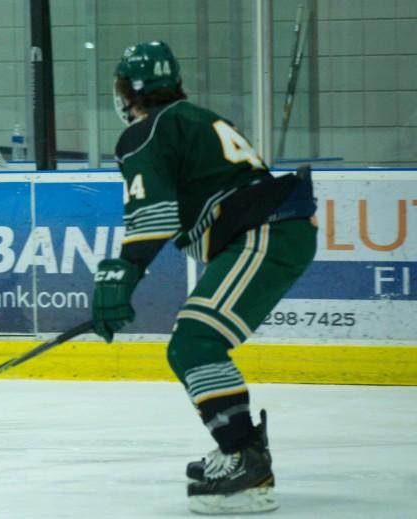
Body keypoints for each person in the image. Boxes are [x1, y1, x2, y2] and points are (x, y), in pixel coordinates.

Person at [90, 40, 317, 515]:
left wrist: (122, 275)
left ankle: (244, 462)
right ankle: (241, 450)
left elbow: (154, 217)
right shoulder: (194, 117)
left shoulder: (146, 132)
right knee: (194, 343)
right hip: (268, 231)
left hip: (264, 234)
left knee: (194, 345)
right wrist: (126, 273)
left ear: (128, 89)